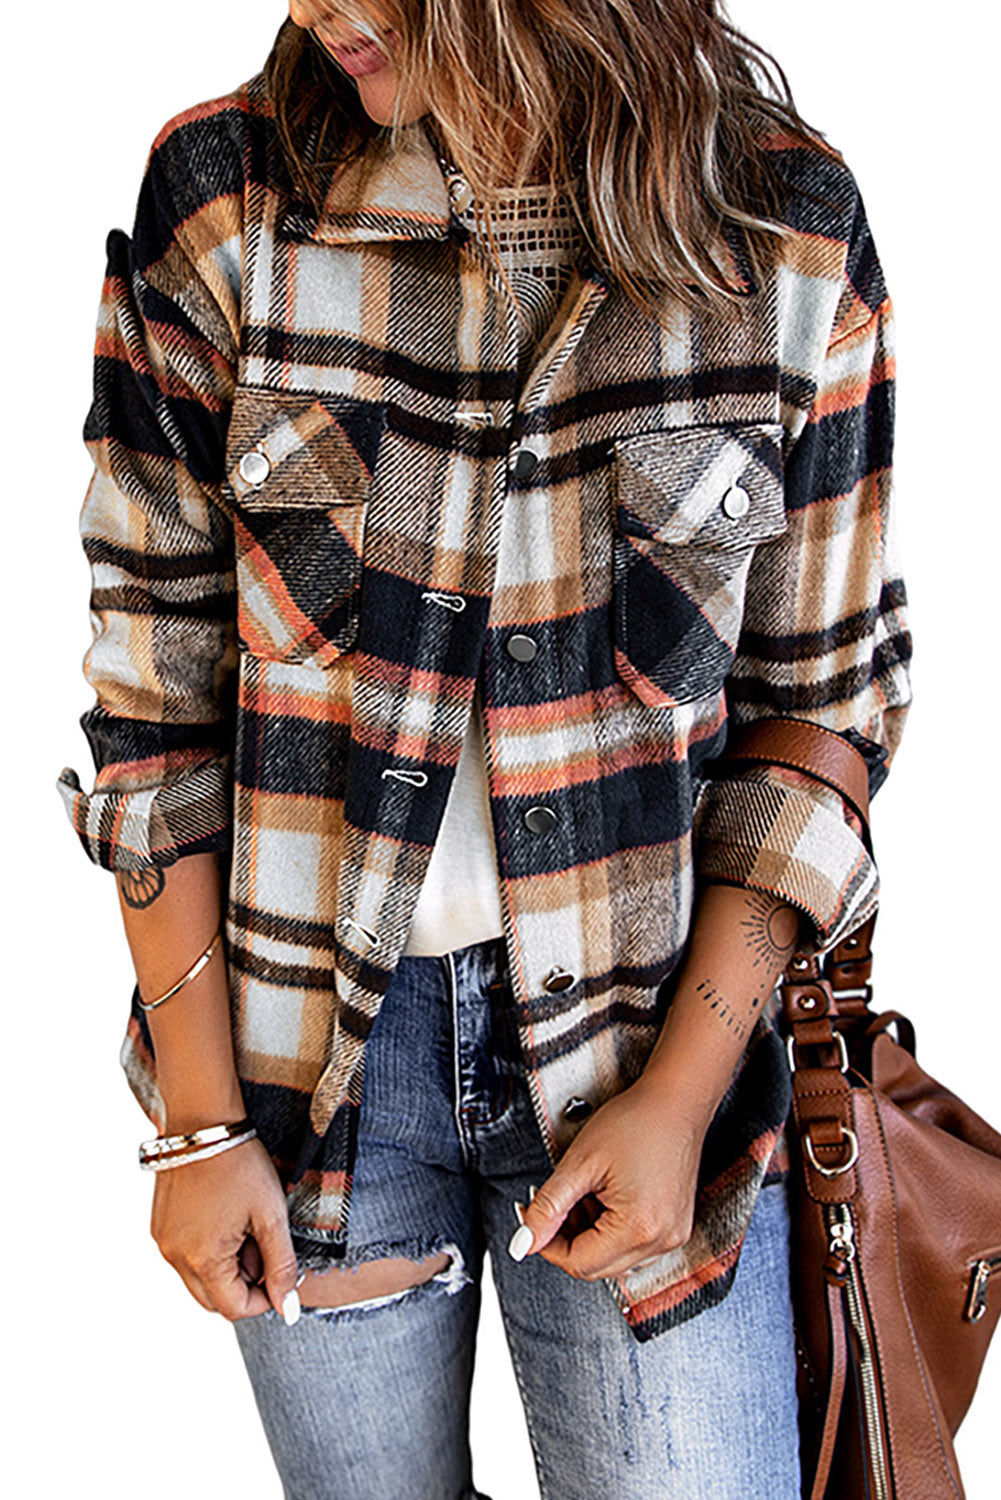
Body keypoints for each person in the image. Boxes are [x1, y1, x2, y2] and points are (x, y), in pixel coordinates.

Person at [56, 2, 912, 1496]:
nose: (316, 9)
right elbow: (153, 697)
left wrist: (680, 1098)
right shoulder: (229, 200)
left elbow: (818, 713)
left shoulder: (782, 228)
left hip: (648, 1048)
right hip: (312, 1076)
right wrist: (197, 1125)